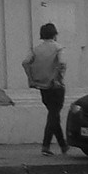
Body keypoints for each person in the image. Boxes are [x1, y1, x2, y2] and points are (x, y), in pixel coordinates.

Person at [23, 22, 67, 155]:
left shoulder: (36, 49)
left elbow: (25, 62)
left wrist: (31, 79)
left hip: (42, 85)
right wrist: (57, 77)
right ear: (55, 34)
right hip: (56, 86)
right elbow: (62, 63)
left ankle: (63, 145)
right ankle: (46, 146)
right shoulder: (58, 48)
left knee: (53, 114)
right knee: (54, 115)